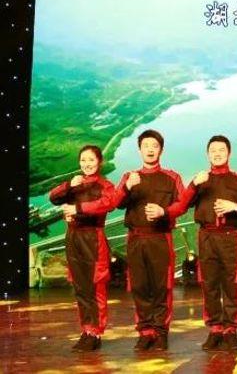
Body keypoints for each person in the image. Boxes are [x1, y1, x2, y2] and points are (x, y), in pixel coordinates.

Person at [169, 135, 237, 351]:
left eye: (221, 150)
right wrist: (193, 185)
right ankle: (215, 329)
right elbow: (181, 206)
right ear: (207, 154)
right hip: (206, 236)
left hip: (230, 236)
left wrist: (235, 206)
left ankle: (230, 330)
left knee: (231, 284)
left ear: (229, 153)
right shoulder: (200, 179)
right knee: (209, 284)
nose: (217, 154)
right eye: (213, 150)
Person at [111, 129, 186, 351]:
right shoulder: (129, 177)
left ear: (161, 149)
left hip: (160, 237)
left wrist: (164, 212)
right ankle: (145, 331)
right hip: (135, 238)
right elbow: (115, 203)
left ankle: (161, 332)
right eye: (146, 146)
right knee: (140, 286)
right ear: (139, 150)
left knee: (162, 286)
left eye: (154, 146)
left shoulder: (172, 177)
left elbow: (182, 204)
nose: (150, 150)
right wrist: (127, 187)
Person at [49, 145, 115, 351]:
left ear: (99, 162)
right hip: (73, 238)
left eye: (91, 160)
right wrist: (69, 185)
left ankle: (96, 332)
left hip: (93, 238)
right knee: (80, 288)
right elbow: (53, 198)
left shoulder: (105, 185)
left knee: (95, 287)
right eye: (83, 160)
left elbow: (108, 204)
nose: (87, 164)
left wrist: (77, 209)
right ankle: (86, 330)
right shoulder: (75, 184)